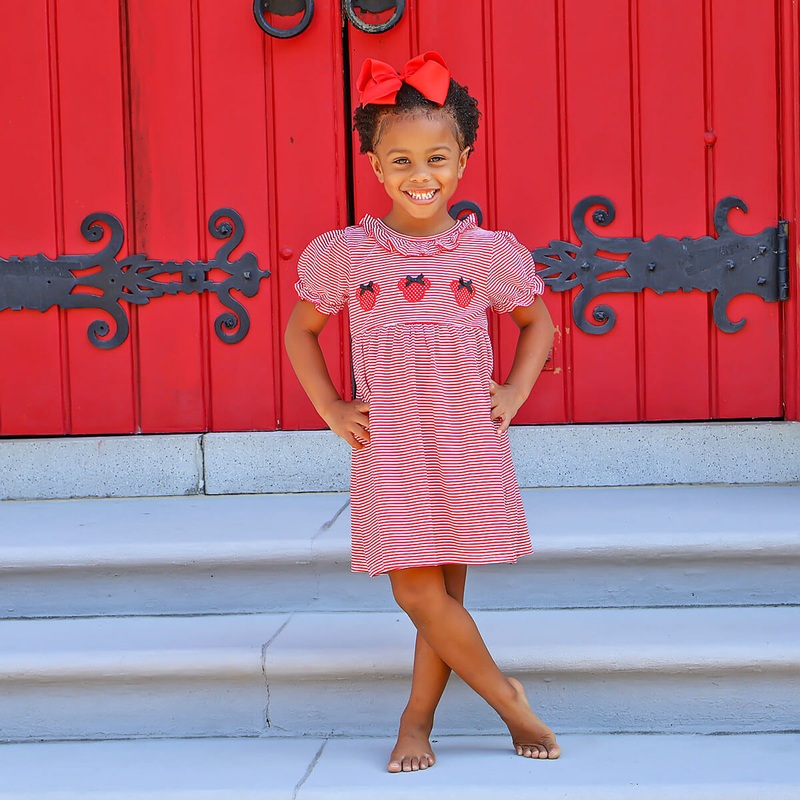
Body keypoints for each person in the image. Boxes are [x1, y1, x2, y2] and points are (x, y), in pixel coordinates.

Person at [284, 51, 560, 773]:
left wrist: (513, 392)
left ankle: (416, 723)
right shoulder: (349, 254)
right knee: (415, 589)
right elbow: (300, 331)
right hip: (393, 445)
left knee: (444, 596)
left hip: (465, 440)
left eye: (436, 157)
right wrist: (331, 407)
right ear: (375, 167)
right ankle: (506, 697)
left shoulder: (486, 252)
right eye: (400, 160)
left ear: (463, 159)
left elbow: (539, 323)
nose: (420, 175)